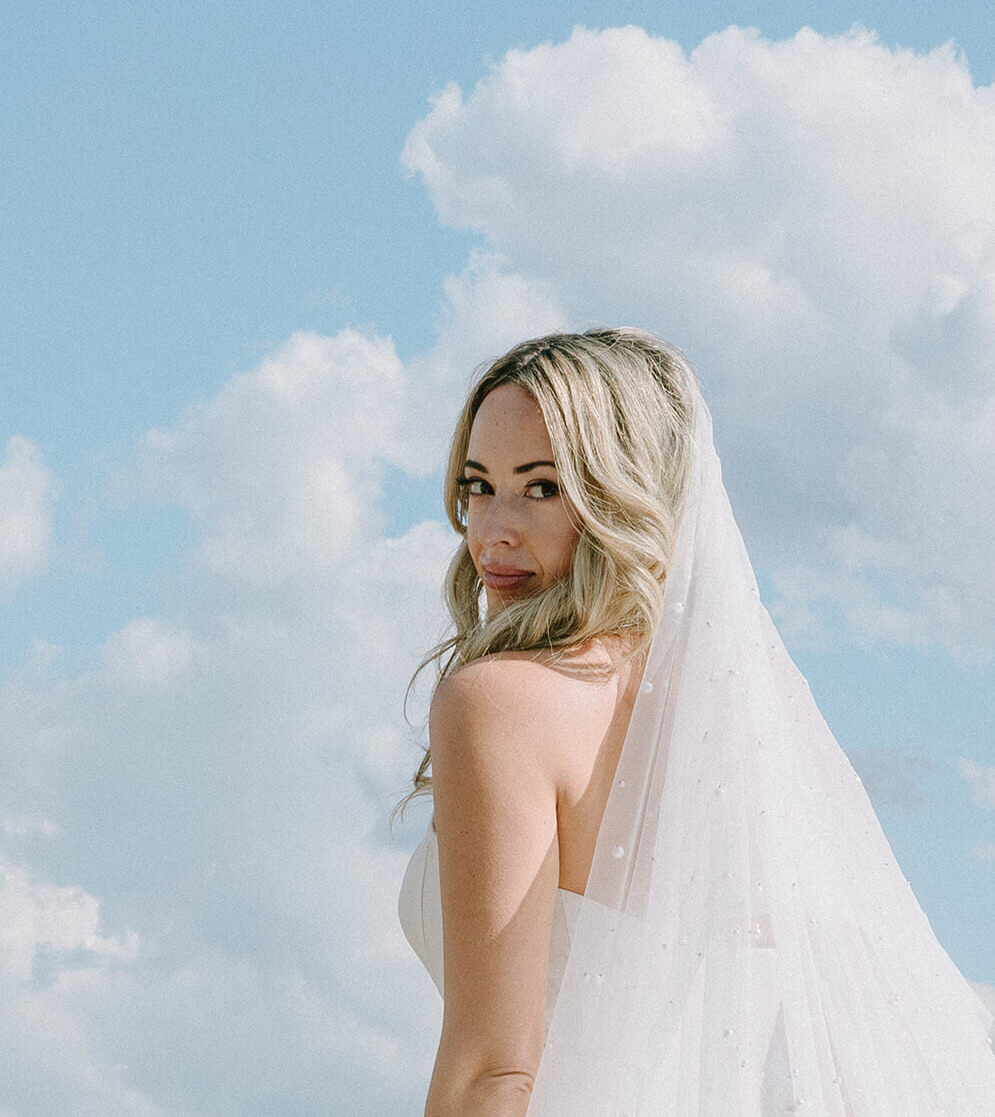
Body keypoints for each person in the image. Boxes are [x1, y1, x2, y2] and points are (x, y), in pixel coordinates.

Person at [397, 329, 995, 1117]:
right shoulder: (726, 725)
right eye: (479, 486)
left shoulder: (500, 702)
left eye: (541, 487)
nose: (490, 531)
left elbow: (496, 1072)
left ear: (625, 494)